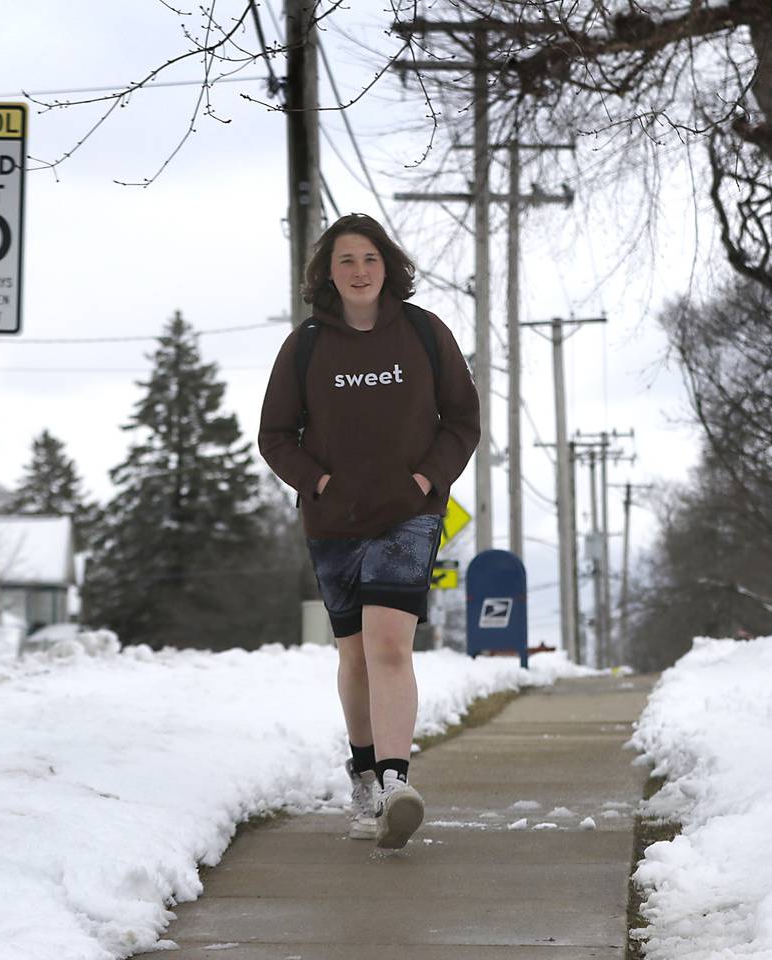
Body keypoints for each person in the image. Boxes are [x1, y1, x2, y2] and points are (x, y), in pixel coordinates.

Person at [258, 213, 479, 850]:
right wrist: (320, 484)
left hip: (409, 518)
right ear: (328, 272)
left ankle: (394, 783)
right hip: (333, 522)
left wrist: (424, 481)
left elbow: (462, 420)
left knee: (388, 647)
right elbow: (275, 436)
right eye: (346, 261)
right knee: (354, 655)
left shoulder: (423, 332)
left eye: (370, 260)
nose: (359, 272)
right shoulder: (304, 347)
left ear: (389, 268)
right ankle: (363, 778)